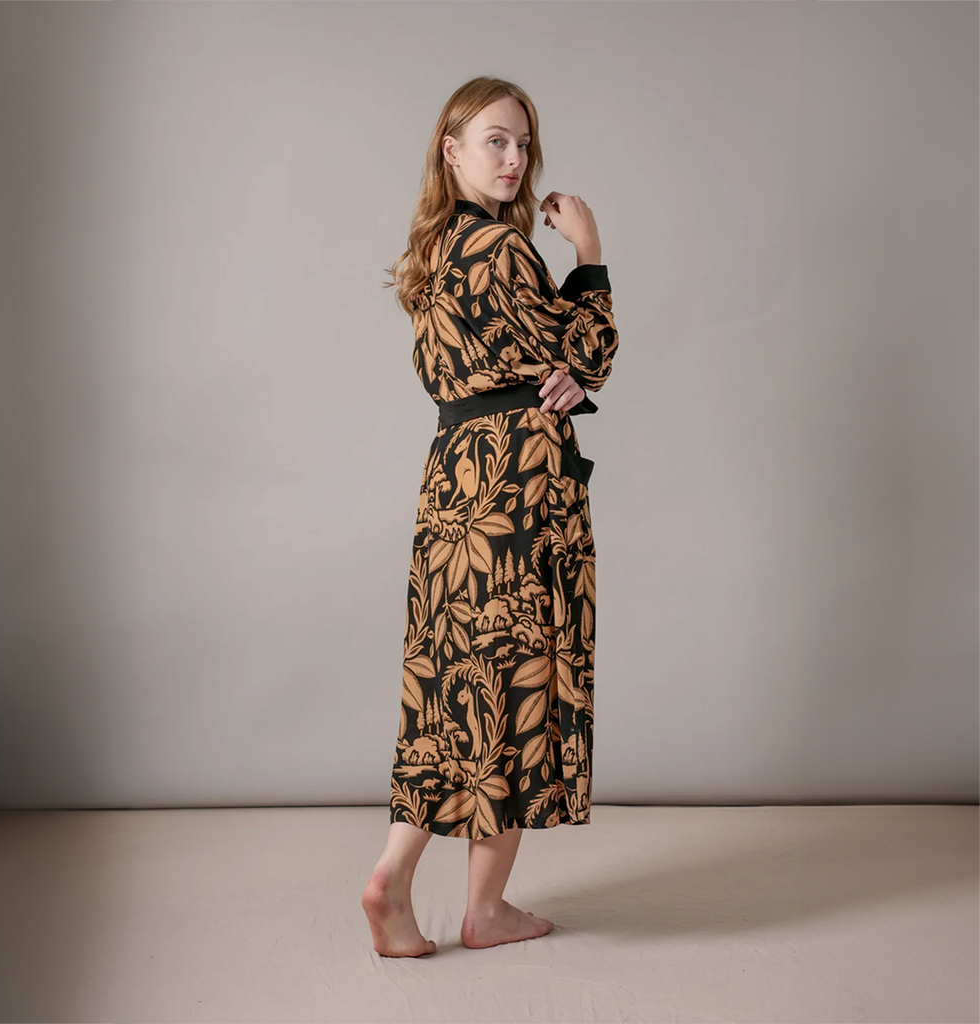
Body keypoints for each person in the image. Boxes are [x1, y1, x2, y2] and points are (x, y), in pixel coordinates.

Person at [362, 76, 620, 957]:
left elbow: (547, 362)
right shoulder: (503, 249)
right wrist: (589, 251)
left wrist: (565, 374)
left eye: (523, 143)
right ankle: (484, 909)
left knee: (452, 686)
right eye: (495, 141)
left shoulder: (433, 249)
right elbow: (587, 350)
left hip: (454, 481)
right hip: (517, 489)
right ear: (453, 150)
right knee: (515, 685)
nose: (514, 159)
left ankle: (397, 879)